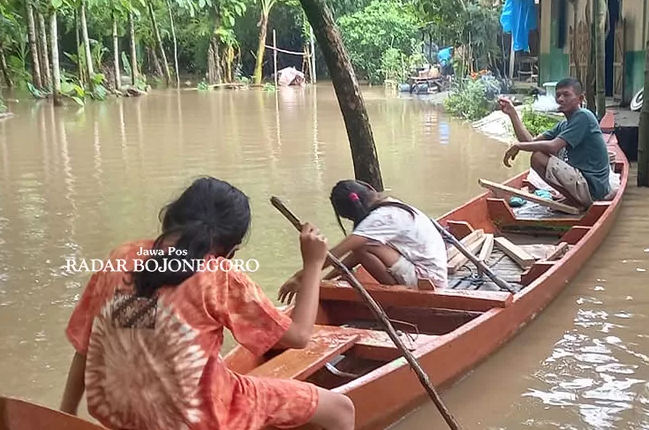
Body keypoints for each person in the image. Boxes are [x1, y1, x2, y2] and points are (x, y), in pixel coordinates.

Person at [59, 176, 354, 430]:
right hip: (199, 420)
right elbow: (300, 336)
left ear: (173, 216)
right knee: (342, 409)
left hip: (120, 414)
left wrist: (65, 415)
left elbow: (85, 347)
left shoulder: (121, 257)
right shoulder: (218, 277)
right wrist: (313, 265)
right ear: (232, 248)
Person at [278, 180, 448, 304]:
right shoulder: (391, 205)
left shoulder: (378, 219)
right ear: (369, 189)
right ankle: (397, 291)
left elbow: (336, 254)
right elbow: (351, 258)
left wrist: (301, 277)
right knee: (362, 248)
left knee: (361, 248)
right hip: (433, 276)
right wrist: (324, 281)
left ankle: (399, 296)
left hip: (428, 282)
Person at [499, 77, 611, 208]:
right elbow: (530, 142)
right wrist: (512, 113)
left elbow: (553, 147)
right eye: (558, 95)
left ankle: (575, 201)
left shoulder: (584, 116)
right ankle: (572, 198)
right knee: (538, 153)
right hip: (583, 184)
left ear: (580, 99)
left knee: (538, 157)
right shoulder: (564, 124)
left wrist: (519, 146)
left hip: (593, 188)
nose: (561, 99)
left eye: (566, 95)